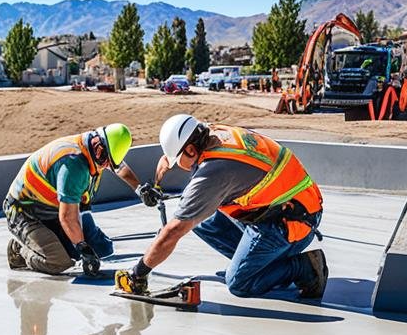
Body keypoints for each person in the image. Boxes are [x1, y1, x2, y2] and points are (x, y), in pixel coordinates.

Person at [115, 114, 327, 299]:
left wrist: (139, 272)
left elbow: (174, 231)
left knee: (239, 282)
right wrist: (163, 171)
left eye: (177, 159)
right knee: (202, 220)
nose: (176, 164)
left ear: (190, 149)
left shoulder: (215, 172)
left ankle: (304, 267)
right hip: (290, 203)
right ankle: (258, 262)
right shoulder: (213, 132)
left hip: (290, 223)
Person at [3, 124, 153, 277]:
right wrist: (83, 248)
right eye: (105, 162)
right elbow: (67, 217)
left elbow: (119, 166)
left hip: (50, 210)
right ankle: (19, 250)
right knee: (59, 262)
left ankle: (53, 241)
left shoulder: (97, 145)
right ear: (98, 147)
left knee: (102, 250)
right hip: (25, 213)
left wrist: (140, 189)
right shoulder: (73, 165)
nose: (106, 166)